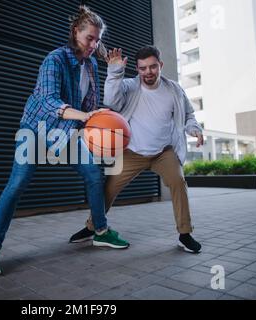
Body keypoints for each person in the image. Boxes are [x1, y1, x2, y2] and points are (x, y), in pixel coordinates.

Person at [0, 6, 130, 277]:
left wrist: (114, 71)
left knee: (94, 174)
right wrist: (84, 116)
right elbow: (49, 101)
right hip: (36, 129)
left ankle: (101, 231)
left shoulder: (92, 64)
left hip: (65, 132)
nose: (93, 44)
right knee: (17, 185)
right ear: (76, 32)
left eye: (97, 40)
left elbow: (92, 107)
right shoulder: (55, 59)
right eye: (89, 38)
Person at [69, 45, 204, 253]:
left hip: (163, 152)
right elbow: (111, 100)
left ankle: (185, 234)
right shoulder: (129, 86)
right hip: (132, 152)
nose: (147, 72)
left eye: (152, 67)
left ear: (160, 65)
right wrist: (114, 72)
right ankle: (93, 226)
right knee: (109, 188)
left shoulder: (174, 89)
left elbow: (188, 115)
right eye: (142, 68)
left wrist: (193, 129)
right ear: (137, 69)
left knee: (178, 182)